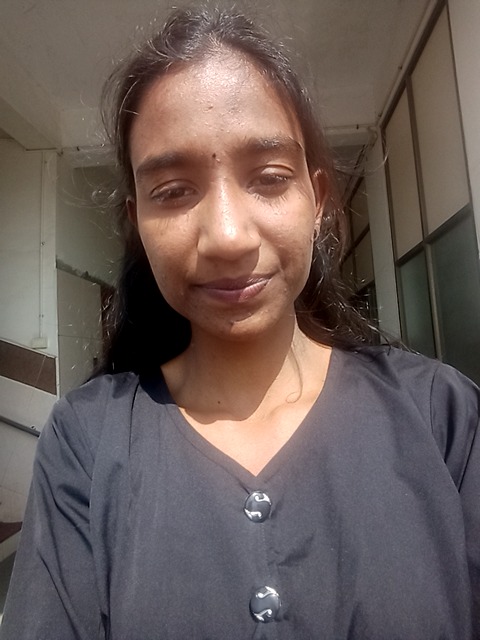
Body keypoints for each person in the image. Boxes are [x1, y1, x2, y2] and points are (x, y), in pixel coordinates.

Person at [1, 6, 479, 640]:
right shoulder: (86, 443)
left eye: (270, 179)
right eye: (173, 190)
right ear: (137, 223)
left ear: (317, 201)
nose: (227, 236)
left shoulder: (440, 416)